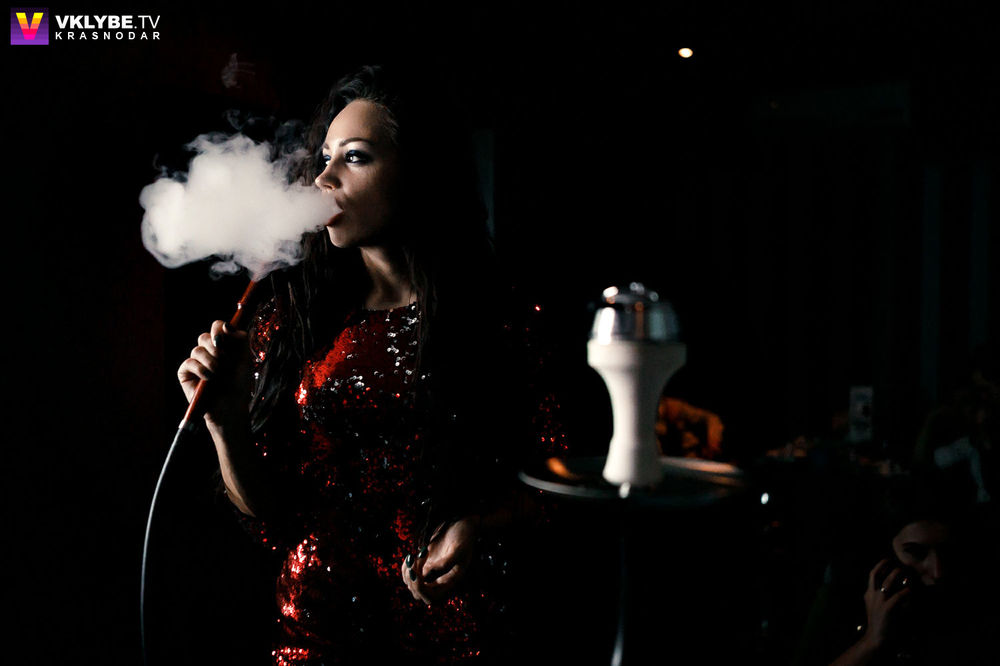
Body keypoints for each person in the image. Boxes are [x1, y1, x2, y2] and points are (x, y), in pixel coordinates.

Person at [176, 64, 560, 665]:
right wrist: (224, 423)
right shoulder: (290, 320)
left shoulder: (500, 317)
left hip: (456, 639)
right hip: (314, 637)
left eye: (354, 158)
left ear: (419, 171)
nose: (324, 178)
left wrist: (480, 526)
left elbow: (561, 481)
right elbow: (270, 513)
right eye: (325, 157)